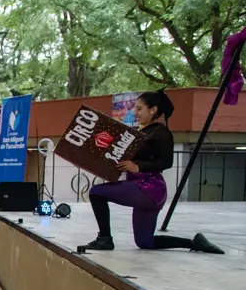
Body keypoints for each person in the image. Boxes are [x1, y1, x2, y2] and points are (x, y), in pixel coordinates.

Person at [85, 90, 224, 253]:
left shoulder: (161, 132)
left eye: (139, 108)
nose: (135, 112)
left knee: (96, 192)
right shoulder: (143, 131)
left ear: (153, 110)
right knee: (145, 242)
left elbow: (166, 162)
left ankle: (104, 239)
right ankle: (194, 243)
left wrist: (138, 167)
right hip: (142, 189)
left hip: (148, 188)